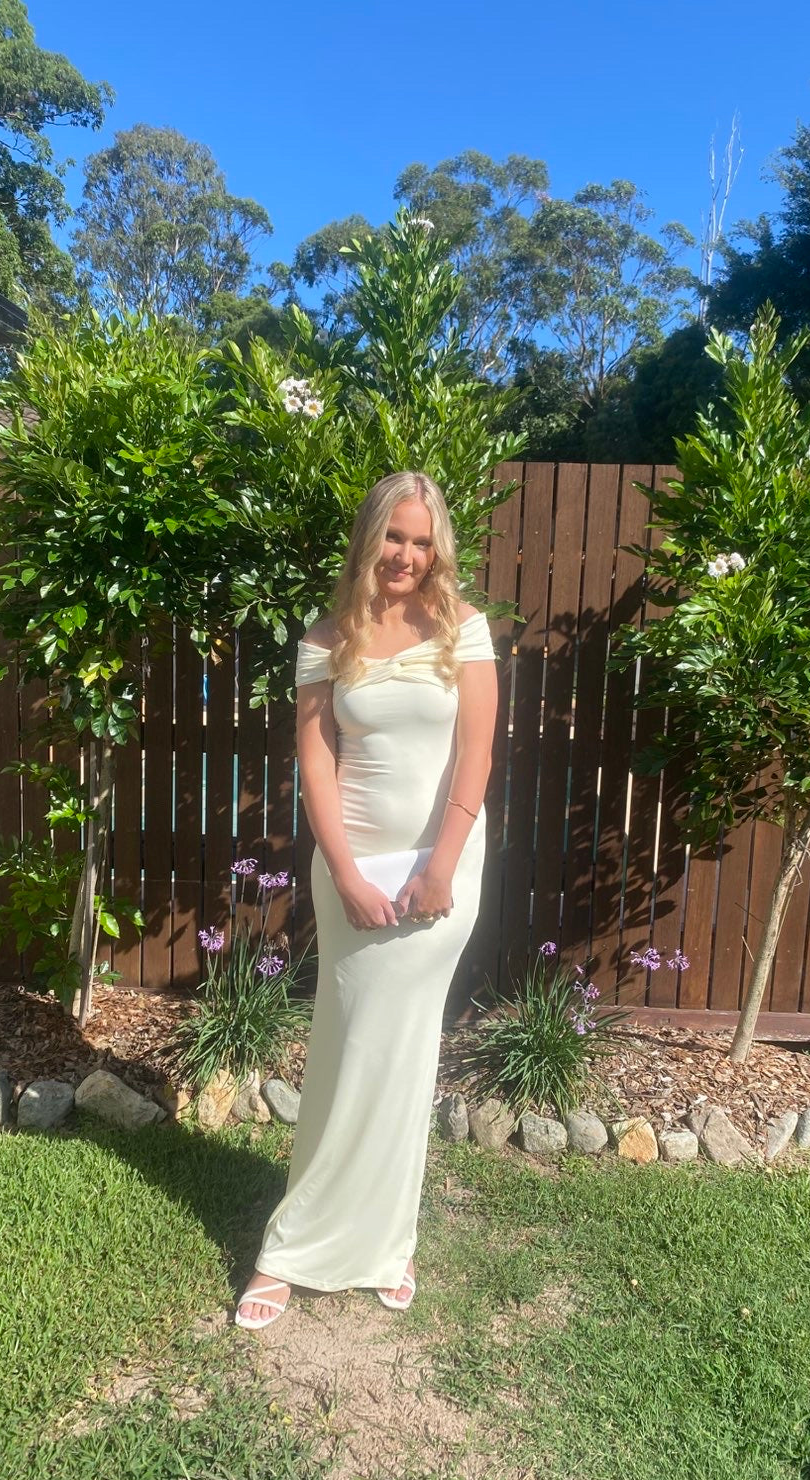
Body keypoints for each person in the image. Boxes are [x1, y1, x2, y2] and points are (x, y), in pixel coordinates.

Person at [234, 470, 498, 1328]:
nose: (406, 556)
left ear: (438, 549)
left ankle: (390, 1241)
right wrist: (345, 873)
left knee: (406, 1052)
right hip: (353, 868)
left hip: (442, 871)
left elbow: (476, 756)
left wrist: (441, 868)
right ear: (368, 538)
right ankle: (290, 1248)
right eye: (394, 537)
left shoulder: (464, 630)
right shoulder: (326, 637)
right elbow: (316, 761)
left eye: (422, 542)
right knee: (346, 1046)